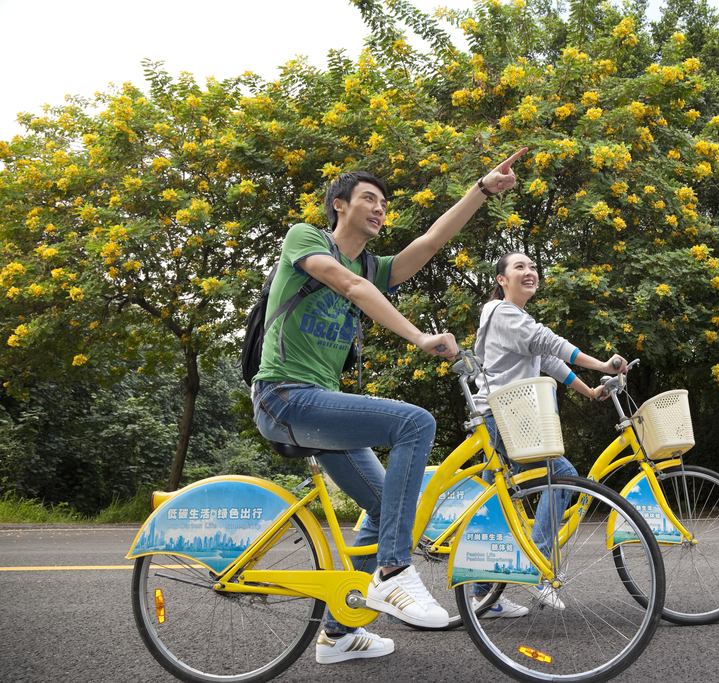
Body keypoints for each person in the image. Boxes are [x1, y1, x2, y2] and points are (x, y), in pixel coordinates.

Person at [251, 149, 526, 664]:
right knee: (414, 422)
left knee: (384, 506)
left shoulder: (373, 265)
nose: (380, 209)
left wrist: (483, 190)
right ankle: (393, 572)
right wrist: (420, 337)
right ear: (340, 205)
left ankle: (337, 635)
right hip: (284, 395)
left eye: (384, 203)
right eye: (369, 199)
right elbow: (349, 286)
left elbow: (430, 242)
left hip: (320, 404)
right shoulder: (305, 238)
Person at [470, 251, 627, 618]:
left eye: (533, 267)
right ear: (501, 280)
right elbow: (551, 343)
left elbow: (549, 361)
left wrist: (589, 390)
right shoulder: (502, 313)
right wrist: (603, 364)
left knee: (492, 503)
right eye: (519, 267)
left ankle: (482, 596)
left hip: (502, 416)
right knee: (564, 475)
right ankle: (536, 563)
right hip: (502, 416)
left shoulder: (516, 317)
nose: (529, 272)